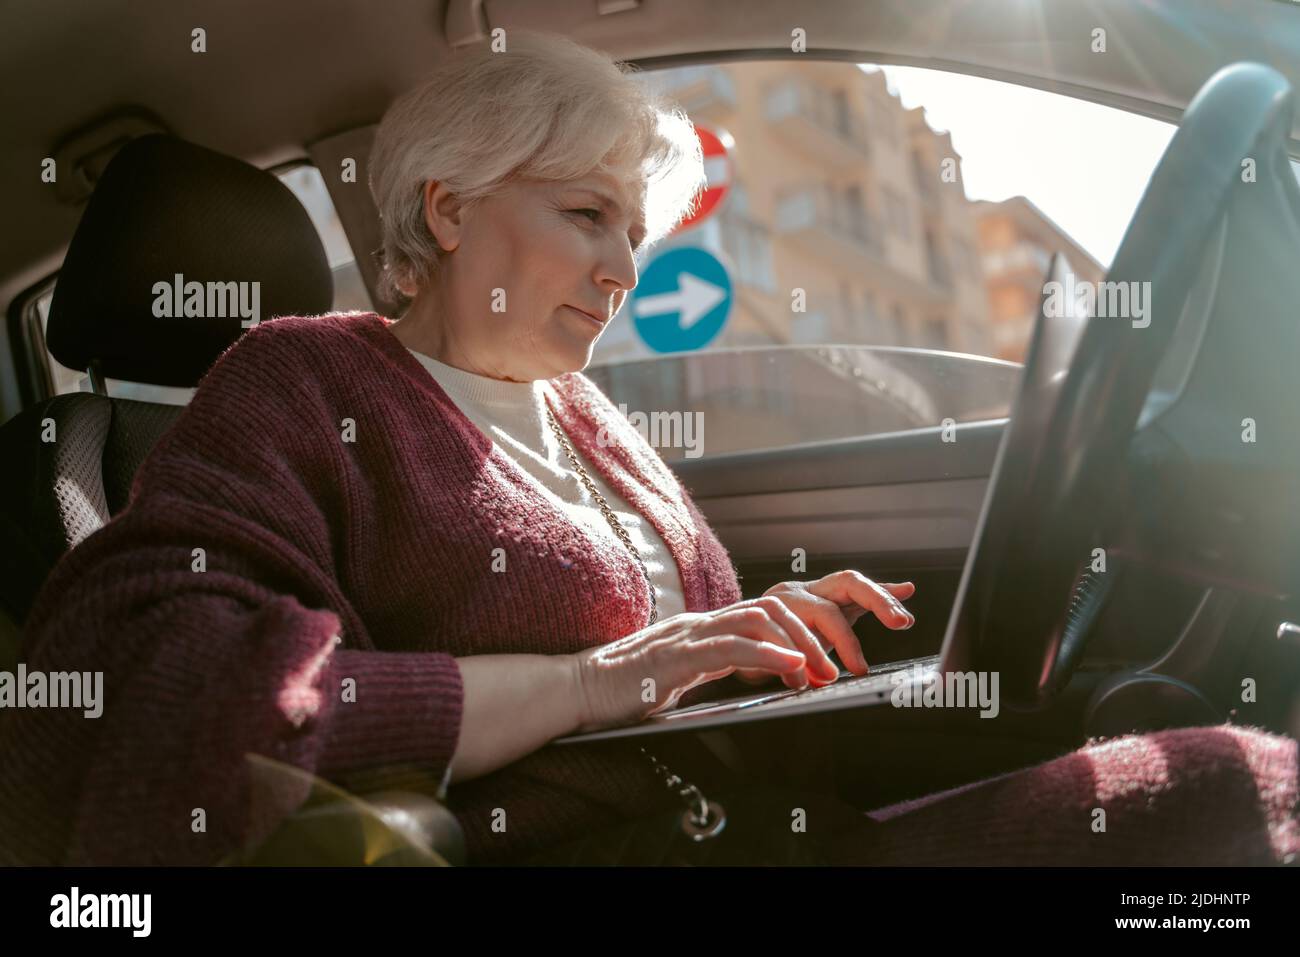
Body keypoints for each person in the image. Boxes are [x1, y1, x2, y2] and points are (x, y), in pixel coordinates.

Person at [1, 30, 1294, 867]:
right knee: (1216, 798)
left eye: (634, 230)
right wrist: (593, 680)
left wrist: (742, 641)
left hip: (751, 828)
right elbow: (155, 676)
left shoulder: (590, 415)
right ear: (446, 210)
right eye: (586, 215)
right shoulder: (302, 377)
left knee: (1183, 760)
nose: (624, 268)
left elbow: (667, 665)